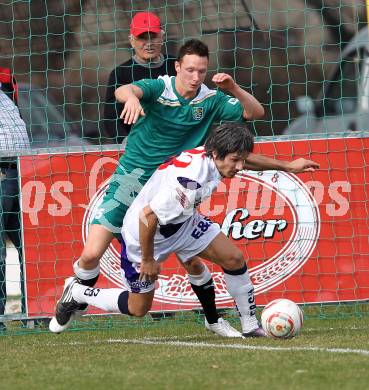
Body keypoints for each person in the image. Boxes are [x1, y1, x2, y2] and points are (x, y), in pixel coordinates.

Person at [50, 38, 265, 337]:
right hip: (131, 181)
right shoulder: (160, 88)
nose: (195, 76)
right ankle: (75, 297)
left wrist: (234, 88)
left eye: (201, 71)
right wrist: (132, 99)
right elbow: (123, 90)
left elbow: (255, 113)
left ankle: (215, 319)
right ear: (177, 67)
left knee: (193, 257)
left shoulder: (211, 100)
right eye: (189, 69)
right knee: (90, 255)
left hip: (169, 185)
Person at [49, 123, 319, 336]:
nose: (239, 167)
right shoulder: (187, 182)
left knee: (234, 258)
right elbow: (147, 217)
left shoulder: (215, 155)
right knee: (138, 308)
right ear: (216, 154)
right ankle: (78, 292)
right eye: (235, 161)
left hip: (182, 223)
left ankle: (250, 325)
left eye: (240, 160)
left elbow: (247, 159)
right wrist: (148, 259)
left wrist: (287, 166)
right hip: (144, 235)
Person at [103, 11, 176, 143]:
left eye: (153, 37)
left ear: (162, 37)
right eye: (142, 38)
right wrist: (125, 142)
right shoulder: (121, 73)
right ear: (131, 41)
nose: (148, 43)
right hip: (140, 147)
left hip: (177, 142)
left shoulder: (177, 65)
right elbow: (111, 117)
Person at [0, 68, 30, 331]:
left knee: (29, 246)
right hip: (2, 169)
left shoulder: (5, 80)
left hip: (21, 171)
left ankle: (33, 310)